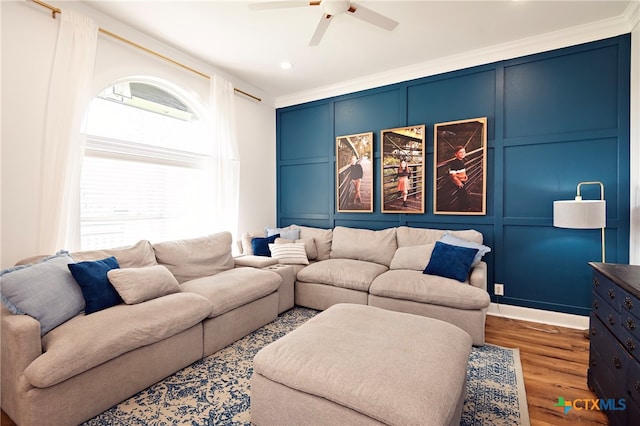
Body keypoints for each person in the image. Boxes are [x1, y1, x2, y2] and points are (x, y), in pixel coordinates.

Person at [448, 146, 470, 210]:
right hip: (459, 182)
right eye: (460, 152)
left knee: (463, 194)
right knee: (462, 195)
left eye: (464, 152)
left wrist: (465, 176)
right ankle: (464, 208)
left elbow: (462, 171)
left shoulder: (461, 161)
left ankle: (465, 207)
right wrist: (458, 182)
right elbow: (453, 175)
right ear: (456, 154)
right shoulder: (455, 163)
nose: (463, 153)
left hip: (462, 181)